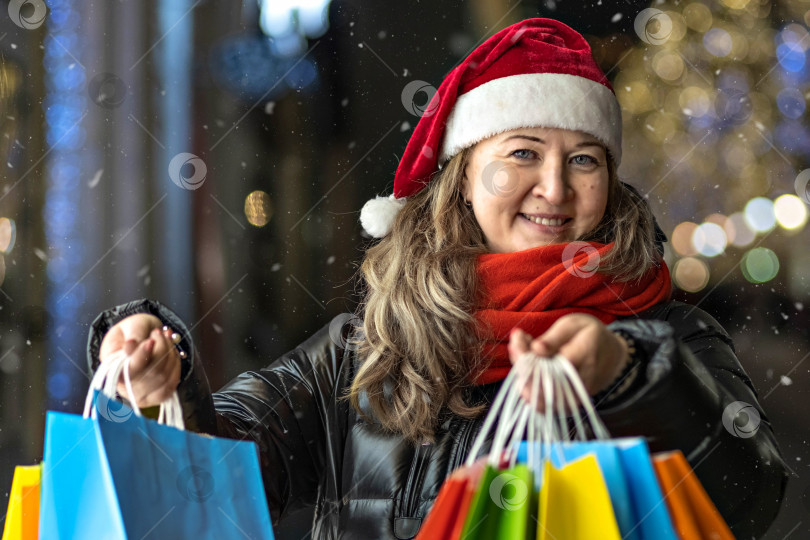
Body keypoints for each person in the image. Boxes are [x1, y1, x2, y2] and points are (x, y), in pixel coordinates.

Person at [88, 18, 787, 539]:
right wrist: (160, 391)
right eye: (522, 152)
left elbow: (748, 499)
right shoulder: (362, 352)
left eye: (584, 160)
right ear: (462, 176)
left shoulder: (673, 337)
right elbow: (226, 474)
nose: (555, 187)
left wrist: (629, 377)